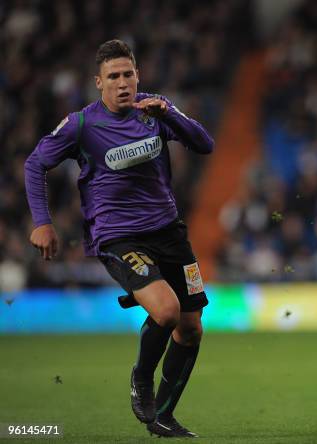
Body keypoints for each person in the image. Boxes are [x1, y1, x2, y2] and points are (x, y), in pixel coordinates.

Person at [24, 39, 214, 438]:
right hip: (118, 236)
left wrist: (171, 117)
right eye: (114, 76)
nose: (123, 82)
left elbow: (203, 144)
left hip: (170, 231)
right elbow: (35, 163)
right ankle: (141, 379)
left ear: (138, 75)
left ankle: (163, 414)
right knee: (166, 311)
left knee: (192, 327)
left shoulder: (155, 109)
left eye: (128, 74)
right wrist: (42, 221)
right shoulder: (81, 124)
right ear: (99, 83)